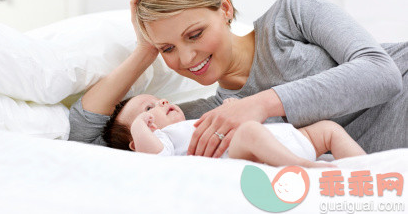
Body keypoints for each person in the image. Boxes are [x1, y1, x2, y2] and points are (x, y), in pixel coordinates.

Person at [68, 0, 407, 157]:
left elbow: (381, 73)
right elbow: (86, 137)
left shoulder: (290, 14)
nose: (186, 59)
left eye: (195, 34)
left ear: (225, 7)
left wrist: (258, 104)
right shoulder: (208, 117)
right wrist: (145, 48)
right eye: (168, 48)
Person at [101, 95, 365, 168]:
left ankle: (368, 167)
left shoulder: (195, 118)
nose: (161, 103)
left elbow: (232, 119)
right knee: (249, 131)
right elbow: (152, 156)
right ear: (136, 143)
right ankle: (303, 167)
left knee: (328, 130)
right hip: (246, 154)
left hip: (285, 138)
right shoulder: (163, 142)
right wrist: (138, 126)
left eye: (160, 99)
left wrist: (232, 107)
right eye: (149, 108)